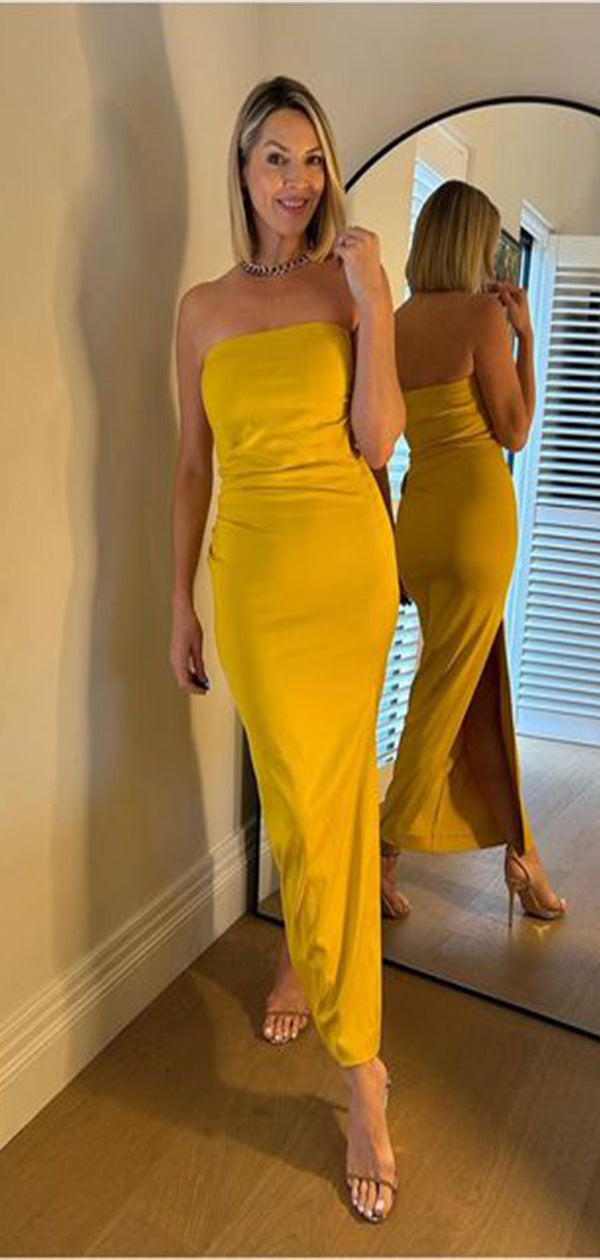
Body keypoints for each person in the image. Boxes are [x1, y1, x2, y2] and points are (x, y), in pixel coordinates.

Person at [169, 75, 404, 1222]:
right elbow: (191, 466)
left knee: (331, 801)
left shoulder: (347, 282)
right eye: (276, 157)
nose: (297, 181)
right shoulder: (202, 309)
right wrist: (177, 603)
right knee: (302, 798)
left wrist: (378, 307)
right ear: (243, 167)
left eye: (313, 160)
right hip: (254, 582)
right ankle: (307, 961)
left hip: (347, 571)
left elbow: (379, 440)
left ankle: (362, 1072)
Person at [379, 179, 566, 927]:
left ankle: (524, 859)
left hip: (419, 523)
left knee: (480, 687)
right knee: (442, 698)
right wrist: (526, 338)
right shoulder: (483, 316)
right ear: (470, 245)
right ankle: (381, 850)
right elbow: (514, 430)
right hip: (476, 524)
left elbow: (379, 439)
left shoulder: (394, 324)